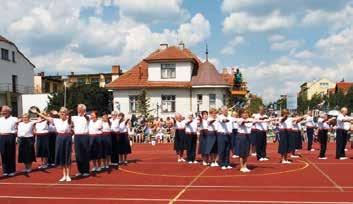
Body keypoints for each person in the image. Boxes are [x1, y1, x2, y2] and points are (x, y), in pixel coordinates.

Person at [32, 107, 73, 182]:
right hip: (59, 137)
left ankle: (68, 175)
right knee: (61, 156)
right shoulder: (56, 120)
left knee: (67, 156)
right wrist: (37, 113)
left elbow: (69, 117)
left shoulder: (69, 119)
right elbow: (45, 117)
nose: (62, 114)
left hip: (67, 138)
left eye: (64, 112)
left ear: (66, 113)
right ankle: (64, 175)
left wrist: (60, 113)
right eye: (61, 112)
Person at [71, 104, 90, 177]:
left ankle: (86, 170)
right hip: (77, 137)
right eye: (78, 108)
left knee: (85, 154)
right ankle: (80, 170)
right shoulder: (74, 117)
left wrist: (83, 113)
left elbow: (88, 118)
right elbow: (67, 118)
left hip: (84, 136)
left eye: (80, 108)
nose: (78, 109)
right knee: (78, 154)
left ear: (84, 109)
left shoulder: (87, 117)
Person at [0, 106, 17, 177]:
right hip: (1, 137)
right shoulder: (0, 119)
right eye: (2, 111)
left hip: (10, 136)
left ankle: (12, 170)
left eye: (5, 111)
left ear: (9, 111)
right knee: (3, 154)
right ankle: (5, 170)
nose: (3, 112)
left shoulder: (14, 119)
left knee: (11, 153)